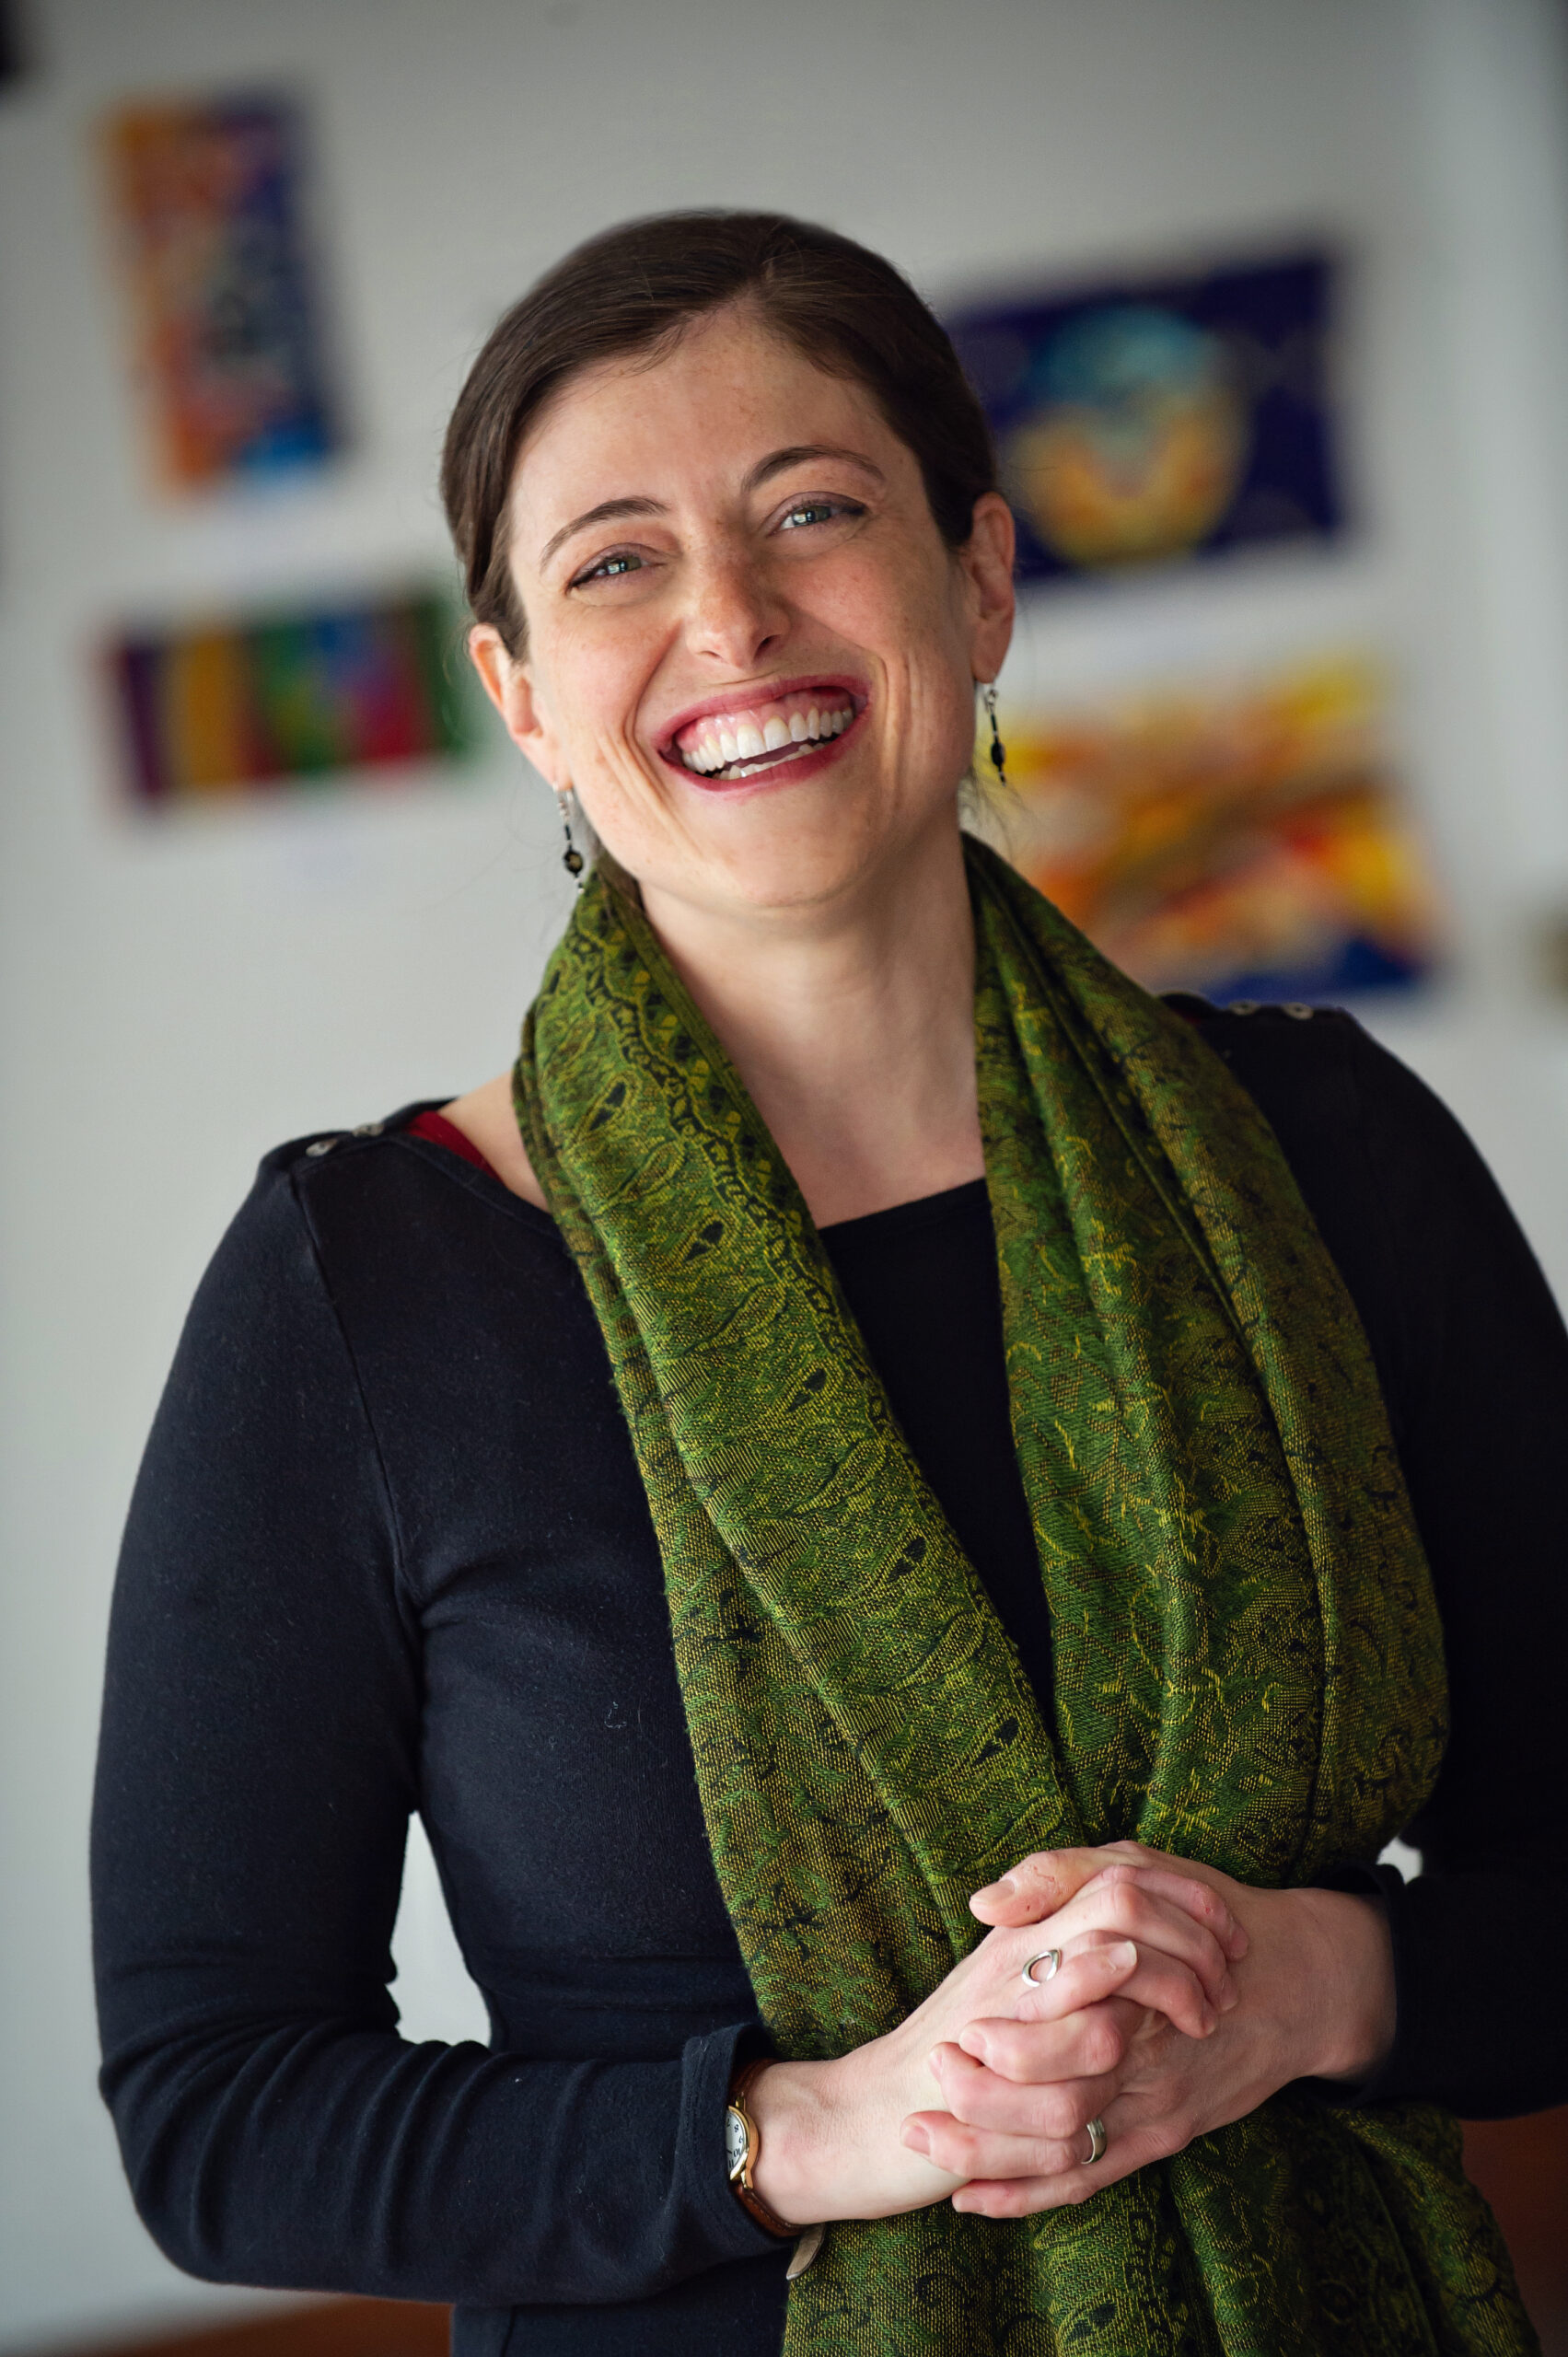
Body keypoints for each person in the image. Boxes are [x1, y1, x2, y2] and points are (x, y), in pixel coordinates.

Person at [92, 212, 1567, 2357]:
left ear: (976, 582)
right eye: (615, 559)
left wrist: (1299, 1987)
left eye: (813, 509)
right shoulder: (361, 1286)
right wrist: (835, 2124)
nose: (734, 615)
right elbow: (219, 2119)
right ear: (517, 690)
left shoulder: (1328, 1152)